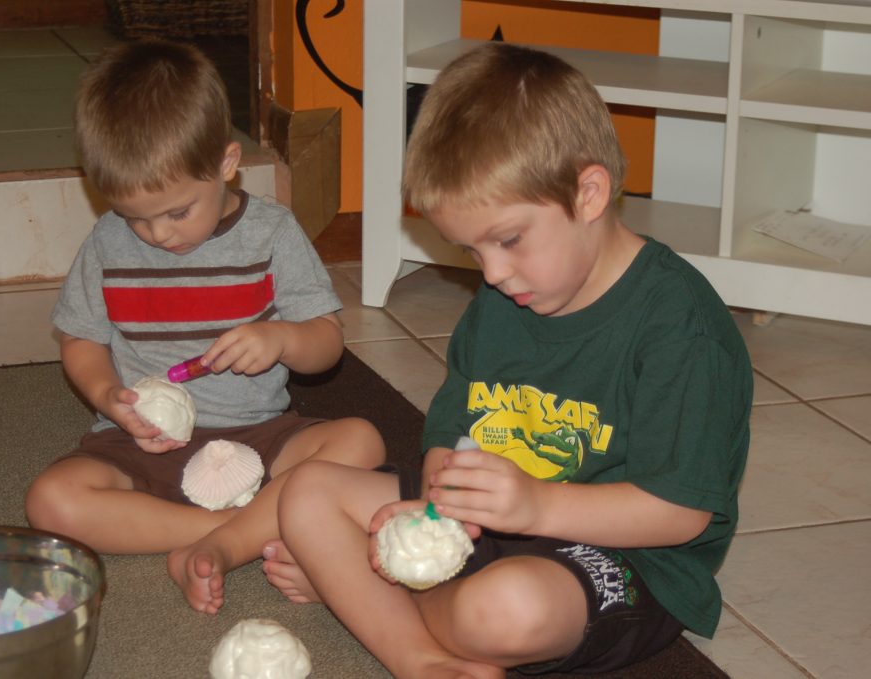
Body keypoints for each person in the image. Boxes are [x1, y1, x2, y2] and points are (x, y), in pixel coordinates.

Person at [263, 42, 752, 678]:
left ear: (589, 194)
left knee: (504, 611)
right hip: (491, 516)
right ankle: (419, 659)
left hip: (625, 556)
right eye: (471, 251)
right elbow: (452, 432)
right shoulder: (510, 296)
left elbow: (680, 514)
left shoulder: (682, 332)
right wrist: (438, 509)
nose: (492, 274)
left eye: (509, 240)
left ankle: (358, 588)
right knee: (306, 493)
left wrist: (537, 509)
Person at [24, 39, 385, 615]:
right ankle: (234, 526)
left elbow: (326, 346)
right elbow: (81, 338)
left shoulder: (272, 233)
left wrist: (283, 339)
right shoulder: (108, 245)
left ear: (225, 162)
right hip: (143, 445)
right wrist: (106, 396)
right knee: (52, 503)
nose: (157, 235)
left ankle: (228, 534)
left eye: (176, 212)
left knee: (360, 440)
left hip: (257, 438)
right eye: (134, 216)